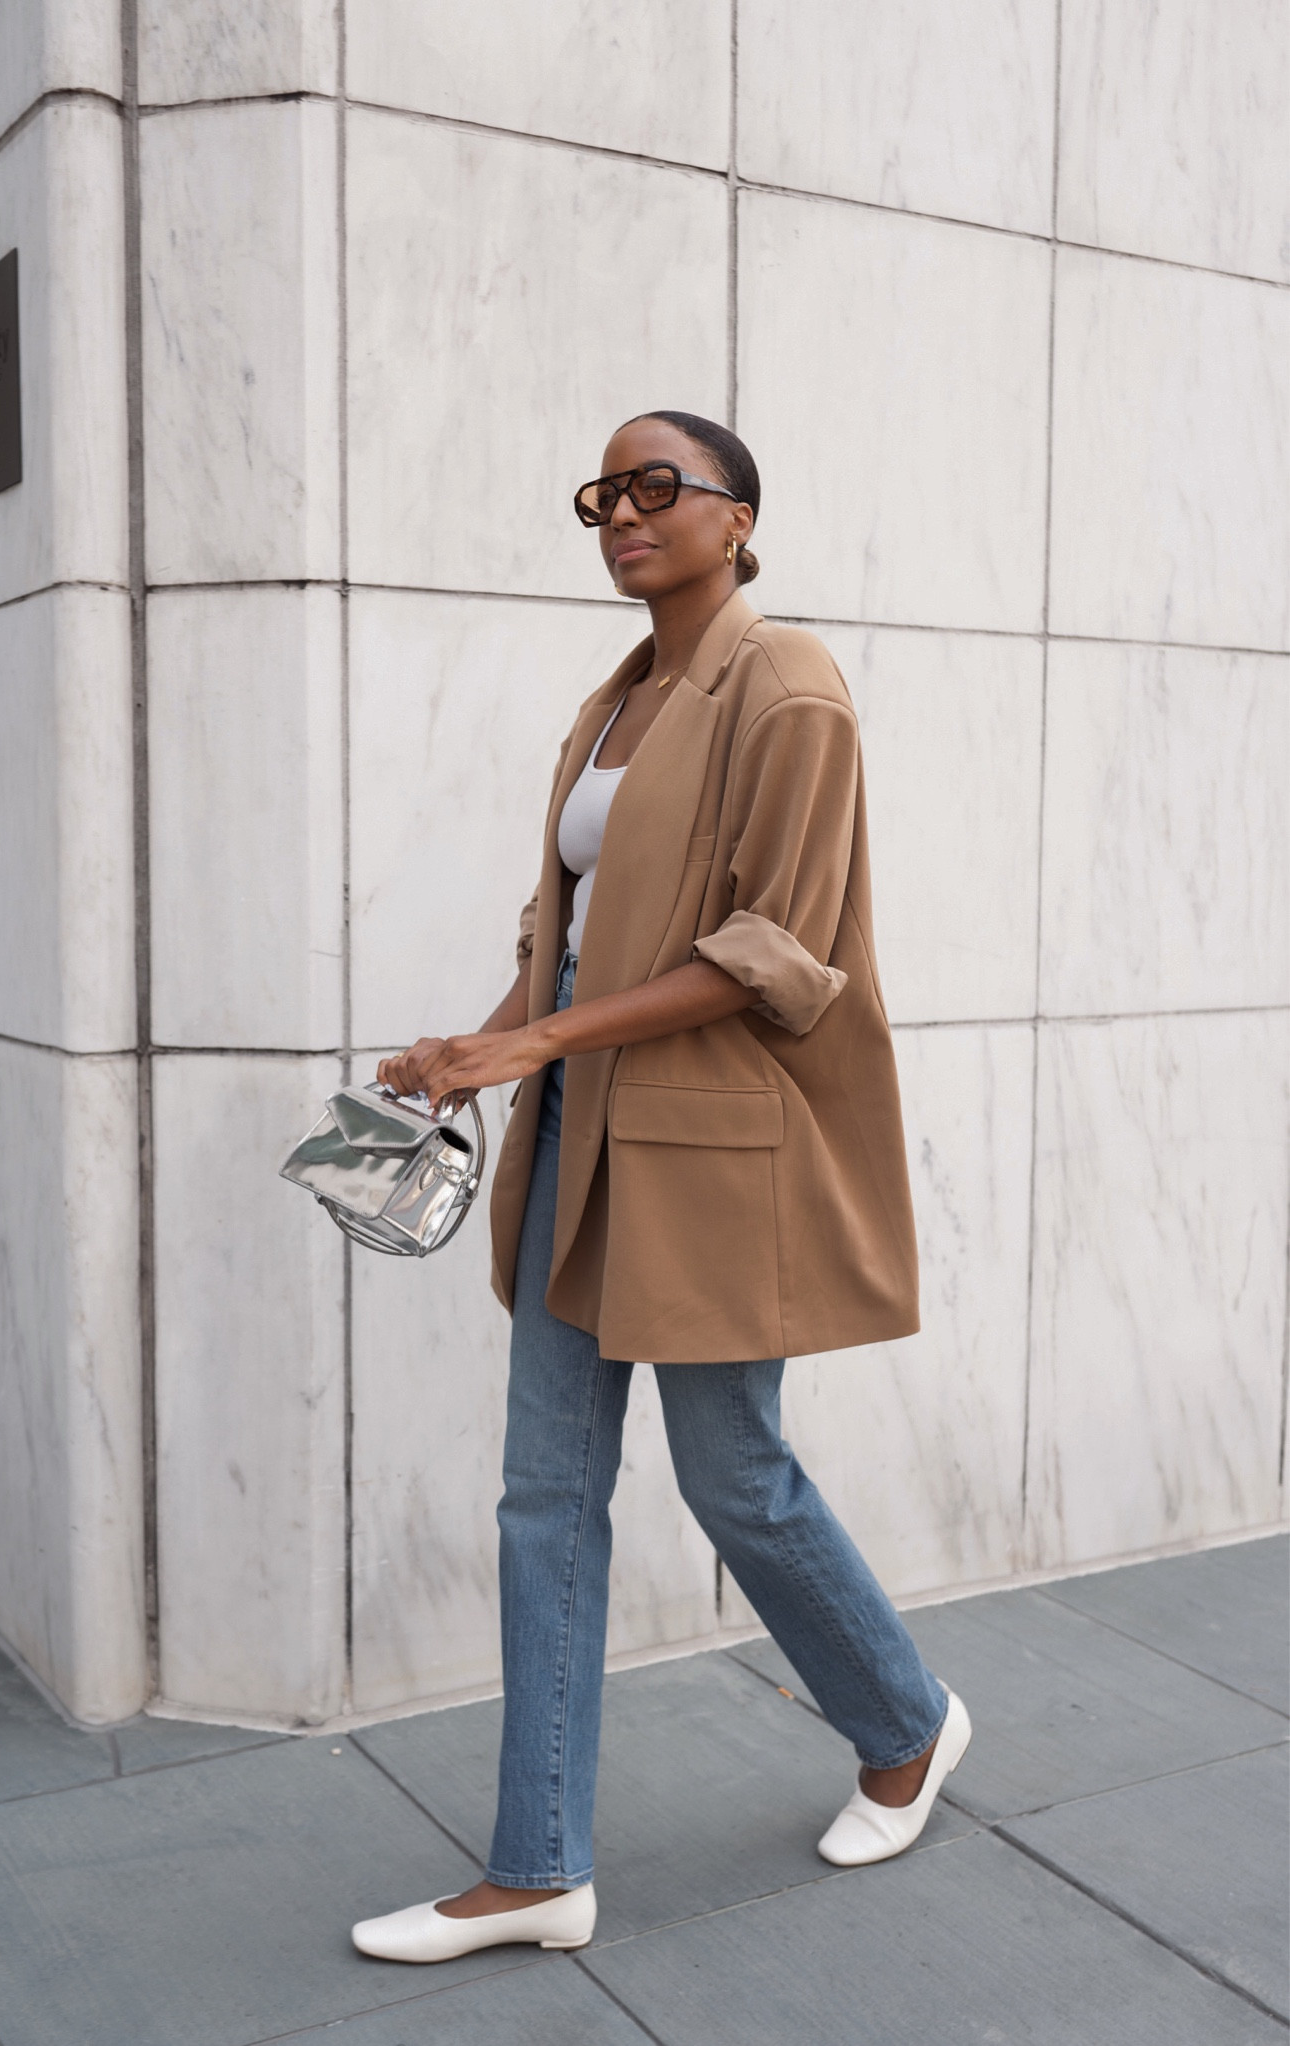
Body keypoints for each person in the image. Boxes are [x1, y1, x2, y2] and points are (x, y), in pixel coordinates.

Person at [351, 410, 971, 1964]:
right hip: (579, 1130)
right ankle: (538, 1864)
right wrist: (475, 1047)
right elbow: (562, 941)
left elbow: (776, 950)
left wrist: (542, 1036)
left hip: (706, 1147)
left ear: (737, 516)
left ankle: (906, 1723)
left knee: (731, 1473)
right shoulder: (611, 702)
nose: (622, 512)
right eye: (601, 495)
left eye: (655, 486)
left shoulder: (789, 683)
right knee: (543, 1494)